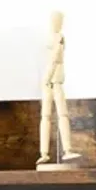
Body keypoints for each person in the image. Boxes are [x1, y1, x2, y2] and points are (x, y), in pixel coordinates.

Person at [38, 11, 82, 167]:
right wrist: (48, 77)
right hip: (53, 80)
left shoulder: (57, 37)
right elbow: (55, 57)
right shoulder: (57, 38)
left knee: (49, 116)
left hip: (52, 79)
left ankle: (47, 153)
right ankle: (63, 151)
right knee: (58, 115)